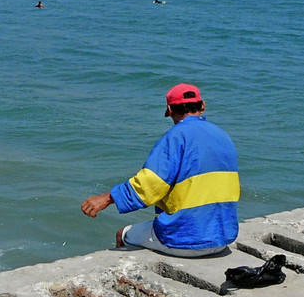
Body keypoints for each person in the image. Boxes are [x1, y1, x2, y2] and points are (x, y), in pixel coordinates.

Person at [80, 83, 239, 257]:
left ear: (170, 110)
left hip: (185, 240)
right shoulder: (223, 136)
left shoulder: (176, 137)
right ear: (202, 106)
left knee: (123, 234)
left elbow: (151, 183)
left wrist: (109, 198)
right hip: (223, 238)